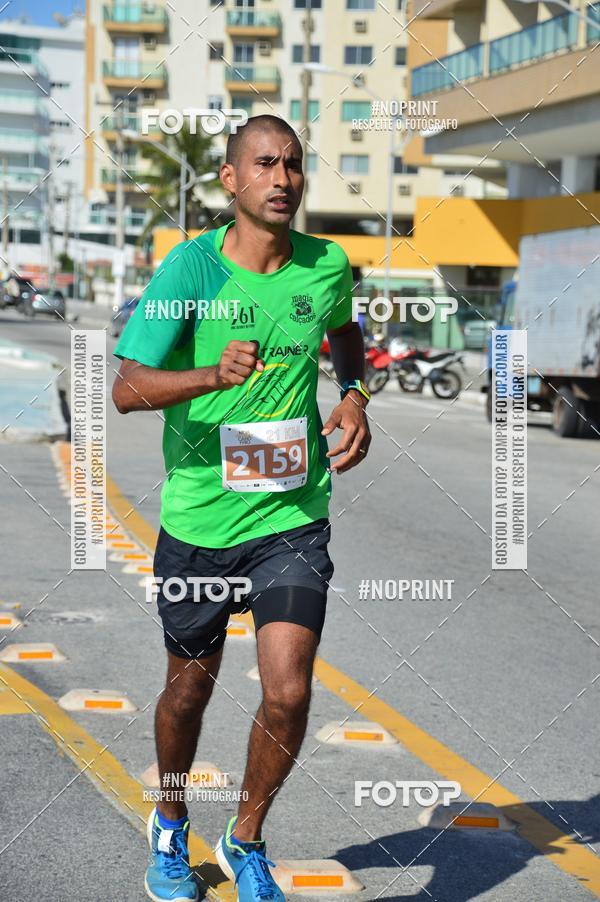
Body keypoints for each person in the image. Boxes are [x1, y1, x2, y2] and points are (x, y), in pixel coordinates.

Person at [112, 114, 371, 902]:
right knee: (188, 690)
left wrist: (354, 393)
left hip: (290, 518)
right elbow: (126, 388)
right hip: (200, 523)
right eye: (263, 164)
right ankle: (170, 823)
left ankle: (245, 837)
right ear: (231, 179)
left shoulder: (327, 264)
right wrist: (210, 376)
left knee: (288, 691)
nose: (281, 178)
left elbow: (344, 328)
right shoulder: (189, 271)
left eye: (292, 164)